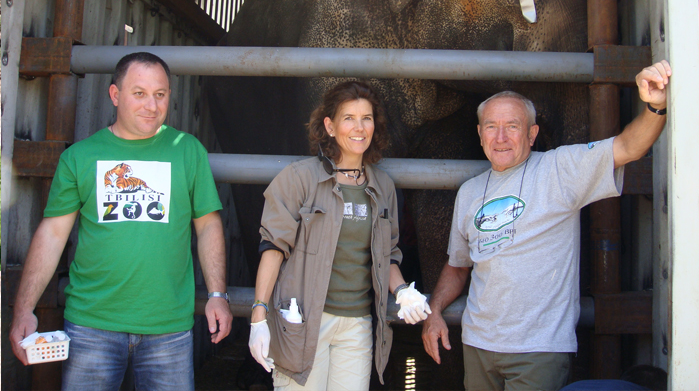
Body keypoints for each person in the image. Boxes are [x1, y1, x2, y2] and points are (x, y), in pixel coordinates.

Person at [422, 61, 672, 391]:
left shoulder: (560, 169)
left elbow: (629, 146)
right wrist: (435, 312)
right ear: (480, 133)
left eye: (512, 126)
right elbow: (457, 267)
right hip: (478, 344)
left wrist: (655, 105)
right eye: (491, 126)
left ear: (532, 133)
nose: (500, 137)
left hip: (539, 349)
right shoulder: (469, 192)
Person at [9, 52, 232, 391]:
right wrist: (24, 308)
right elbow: (52, 234)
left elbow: (208, 225)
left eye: (160, 94)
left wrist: (218, 293)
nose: (152, 105)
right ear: (115, 95)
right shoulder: (80, 157)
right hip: (91, 325)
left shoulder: (188, 151)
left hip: (168, 327)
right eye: (139, 93)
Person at [248, 80, 431, 391]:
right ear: (330, 126)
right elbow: (273, 248)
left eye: (367, 118)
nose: (359, 128)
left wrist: (402, 291)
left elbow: (386, 254)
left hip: (357, 325)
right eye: (349, 118)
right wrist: (258, 317)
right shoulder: (299, 178)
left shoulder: (382, 186)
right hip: (303, 321)